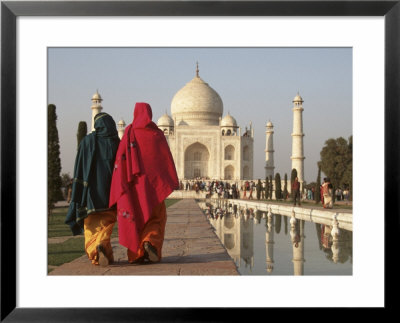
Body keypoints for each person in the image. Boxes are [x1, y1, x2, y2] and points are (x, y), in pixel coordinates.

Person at [109, 102, 179, 264]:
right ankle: (150, 242)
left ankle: (137, 254)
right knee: (156, 217)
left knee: (135, 216)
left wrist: (122, 181)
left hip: (134, 186)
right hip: (154, 188)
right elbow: (165, 161)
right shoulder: (157, 134)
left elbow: (121, 159)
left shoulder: (129, 133)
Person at [65, 112, 120, 266]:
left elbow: (80, 167)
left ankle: (97, 250)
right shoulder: (117, 142)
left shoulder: (87, 141)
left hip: (90, 193)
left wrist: (78, 188)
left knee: (91, 225)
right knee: (106, 223)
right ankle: (103, 246)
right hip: (110, 193)